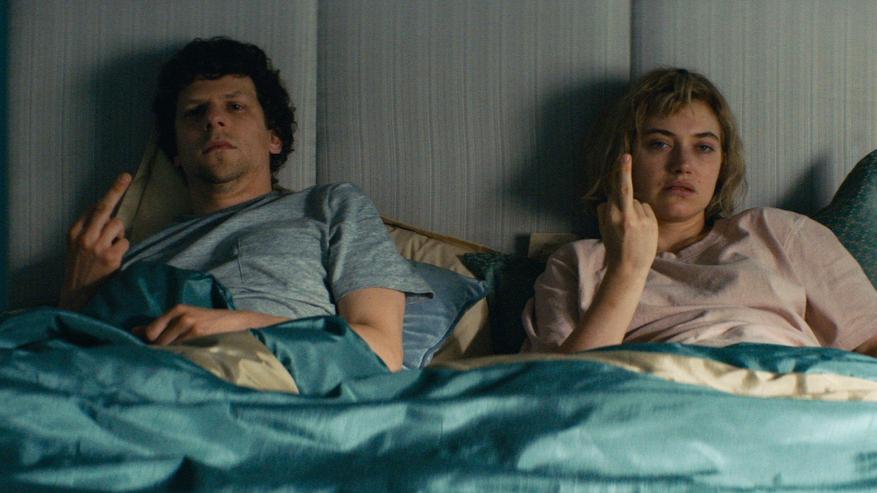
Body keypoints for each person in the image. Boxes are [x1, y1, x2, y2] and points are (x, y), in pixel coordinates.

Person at [59, 37, 429, 371]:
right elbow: (73, 364)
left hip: (272, 378)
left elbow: (381, 350)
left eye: (235, 106)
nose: (214, 119)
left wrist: (240, 325)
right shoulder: (128, 256)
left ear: (273, 138)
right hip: (142, 379)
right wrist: (78, 294)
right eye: (194, 112)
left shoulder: (330, 206)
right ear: (176, 156)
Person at [522, 67, 877, 355]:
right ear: (622, 158)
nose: (683, 165)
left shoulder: (779, 232)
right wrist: (626, 270)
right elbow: (559, 391)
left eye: (704, 147)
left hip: (788, 386)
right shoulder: (578, 264)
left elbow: (869, 345)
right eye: (659, 144)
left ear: (723, 164)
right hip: (662, 396)